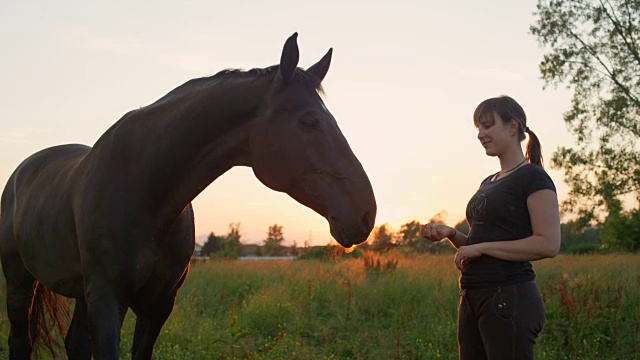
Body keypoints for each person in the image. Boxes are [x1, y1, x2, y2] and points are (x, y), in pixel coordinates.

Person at [421, 95, 560, 360]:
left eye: (487, 126)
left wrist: (480, 247)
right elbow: (480, 247)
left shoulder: (533, 177)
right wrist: (451, 234)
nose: (480, 135)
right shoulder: (489, 181)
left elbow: (548, 243)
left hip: (508, 297)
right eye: (478, 129)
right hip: (473, 296)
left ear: (512, 126)